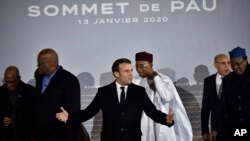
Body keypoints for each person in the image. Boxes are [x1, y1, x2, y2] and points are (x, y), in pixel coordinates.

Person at [56, 58, 174, 141]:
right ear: (116, 74)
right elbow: (88, 113)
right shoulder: (104, 92)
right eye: (126, 71)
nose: (131, 74)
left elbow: (152, 112)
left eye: (131, 71)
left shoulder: (139, 92)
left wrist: (165, 119)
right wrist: (69, 117)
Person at [133, 51, 192, 141]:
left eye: (142, 66)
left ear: (151, 65)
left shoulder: (163, 79)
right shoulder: (135, 81)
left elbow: (167, 96)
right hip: (142, 121)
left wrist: (155, 77)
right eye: (137, 66)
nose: (139, 69)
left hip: (161, 121)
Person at [33, 48, 81, 141]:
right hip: (41, 136)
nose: (37, 65)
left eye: (40, 63)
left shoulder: (69, 80)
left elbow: (74, 112)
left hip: (60, 136)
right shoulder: (39, 77)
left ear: (52, 63)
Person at [210, 47, 250, 141]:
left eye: (238, 64)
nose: (235, 67)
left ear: (246, 60)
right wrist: (215, 128)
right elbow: (222, 106)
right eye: (232, 65)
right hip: (235, 128)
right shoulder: (228, 80)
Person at [0, 66, 35, 141]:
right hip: (5, 136)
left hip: (25, 136)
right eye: (6, 81)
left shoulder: (30, 91)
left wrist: (34, 136)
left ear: (19, 78)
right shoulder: (0, 91)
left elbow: (36, 115)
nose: (8, 85)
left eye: (12, 82)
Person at [201, 54, 231, 141]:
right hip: (216, 130)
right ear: (215, 65)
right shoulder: (208, 81)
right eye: (223, 63)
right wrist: (204, 131)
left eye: (228, 63)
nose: (226, 66)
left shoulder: (235, 79)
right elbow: (205, 108)